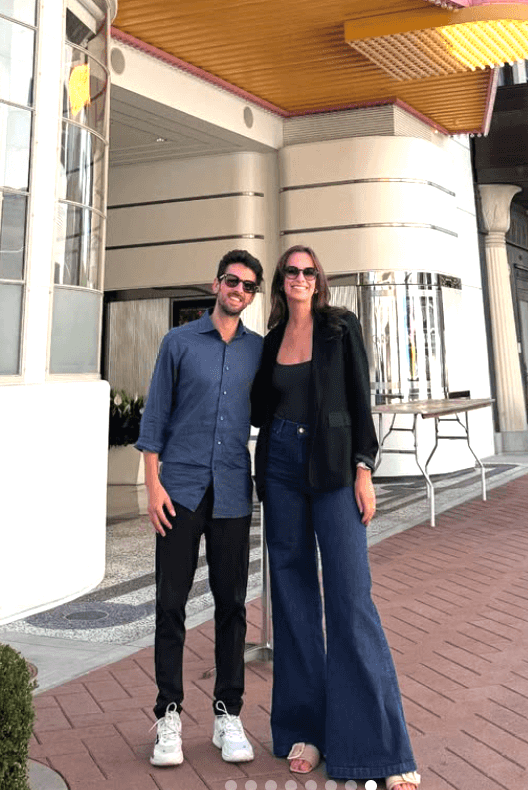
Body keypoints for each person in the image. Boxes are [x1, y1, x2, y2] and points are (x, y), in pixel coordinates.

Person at [251, 244, 420, 789]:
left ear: (319, 281)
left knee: (350, 599)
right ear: (281, 282)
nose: (300, 278)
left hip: (333, 469)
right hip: (279, 468)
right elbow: (260, 406)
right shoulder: (272, 340)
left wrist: (364, 469)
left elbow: (358, 399)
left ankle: (383, 752)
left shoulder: (339, 328)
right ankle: (307, 730)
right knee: (294, 601)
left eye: (308, 271)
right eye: (291, 272)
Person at [136, 250, 264, 768]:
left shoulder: (260, 350)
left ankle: (226, 715)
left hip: (233, 491)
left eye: (249, 286)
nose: (239, 290)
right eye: (233, 281)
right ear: (216, 285)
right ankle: (168, 714)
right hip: (181, 490)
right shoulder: (179, 342)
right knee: (170, 605)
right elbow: (154, 418)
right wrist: (153, 487)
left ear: (253, 295)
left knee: (232, 606)